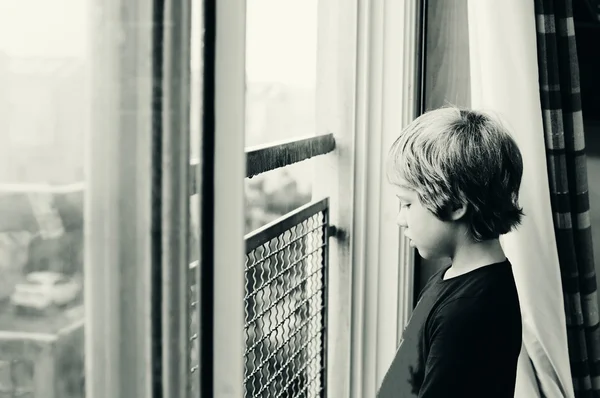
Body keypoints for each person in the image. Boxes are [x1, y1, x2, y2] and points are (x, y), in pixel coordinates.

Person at [377, 107, 523, 397]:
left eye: (407, 204)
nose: (400, 219)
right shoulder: (456, 278)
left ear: (456, 204)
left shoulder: (470, 314)